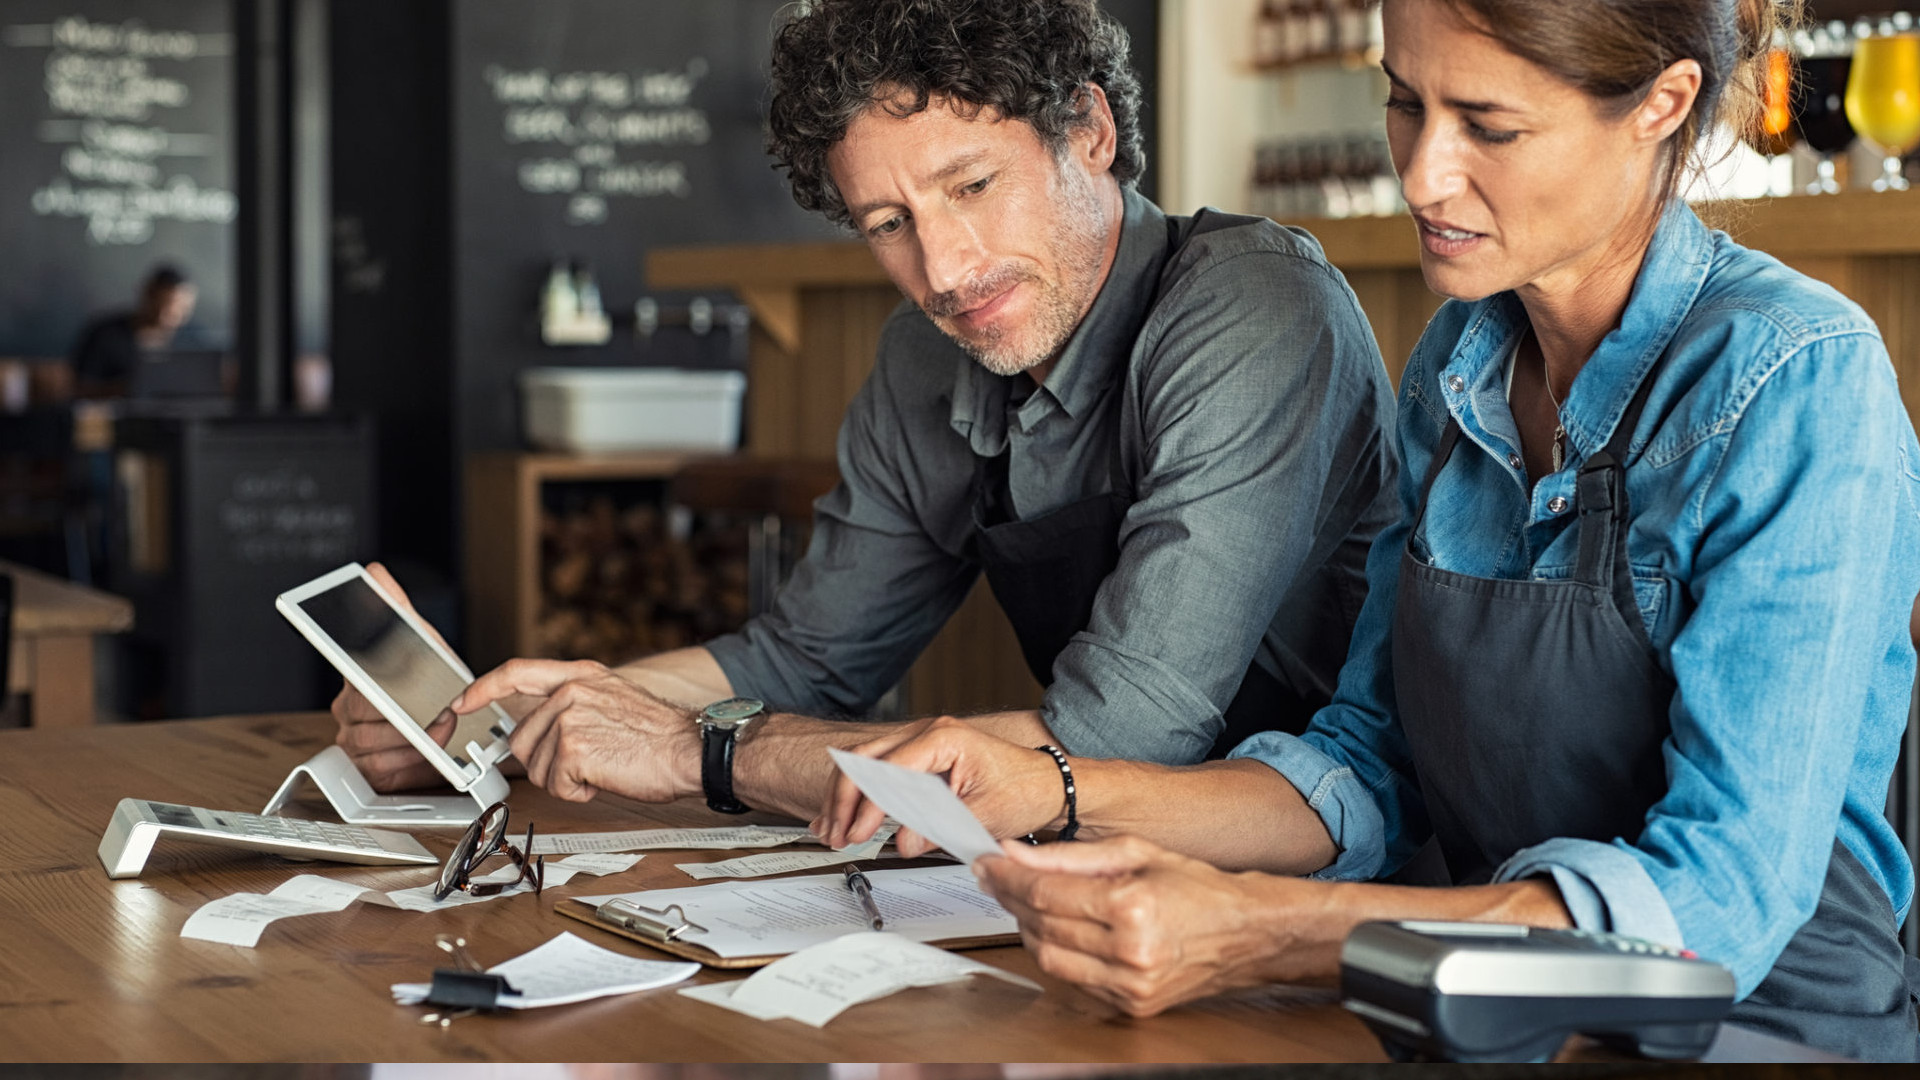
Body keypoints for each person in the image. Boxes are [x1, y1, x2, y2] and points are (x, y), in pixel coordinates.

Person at [817, 0, 1920, 1060]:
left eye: (1489, 125)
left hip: (1760, 1035)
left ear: (1662, 104)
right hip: (1477, 1014)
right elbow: (1369, 764)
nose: (1423, 171)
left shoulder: (1794, 379)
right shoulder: (1458, 363)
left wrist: (1262, 929)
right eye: (1406, 103)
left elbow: (1721, 900)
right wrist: (1051, 787)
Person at [334, 0, 1397, 822]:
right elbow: (804, 660)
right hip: (1095, 873)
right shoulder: (925, 357)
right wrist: (510, 717)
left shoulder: (1256, 308)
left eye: (972, 187)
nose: (943, 270)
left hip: (1327, 880)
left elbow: (1123, 738)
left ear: (1091, 129)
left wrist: (698, 753)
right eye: (887, 222)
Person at [68, 264, 198, 398]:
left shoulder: (195, 339)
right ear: (148, 295)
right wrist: (127, 388)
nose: (172, 316)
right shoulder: (105, 335)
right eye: (165, 306)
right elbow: (78, 388)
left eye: (182, 309)